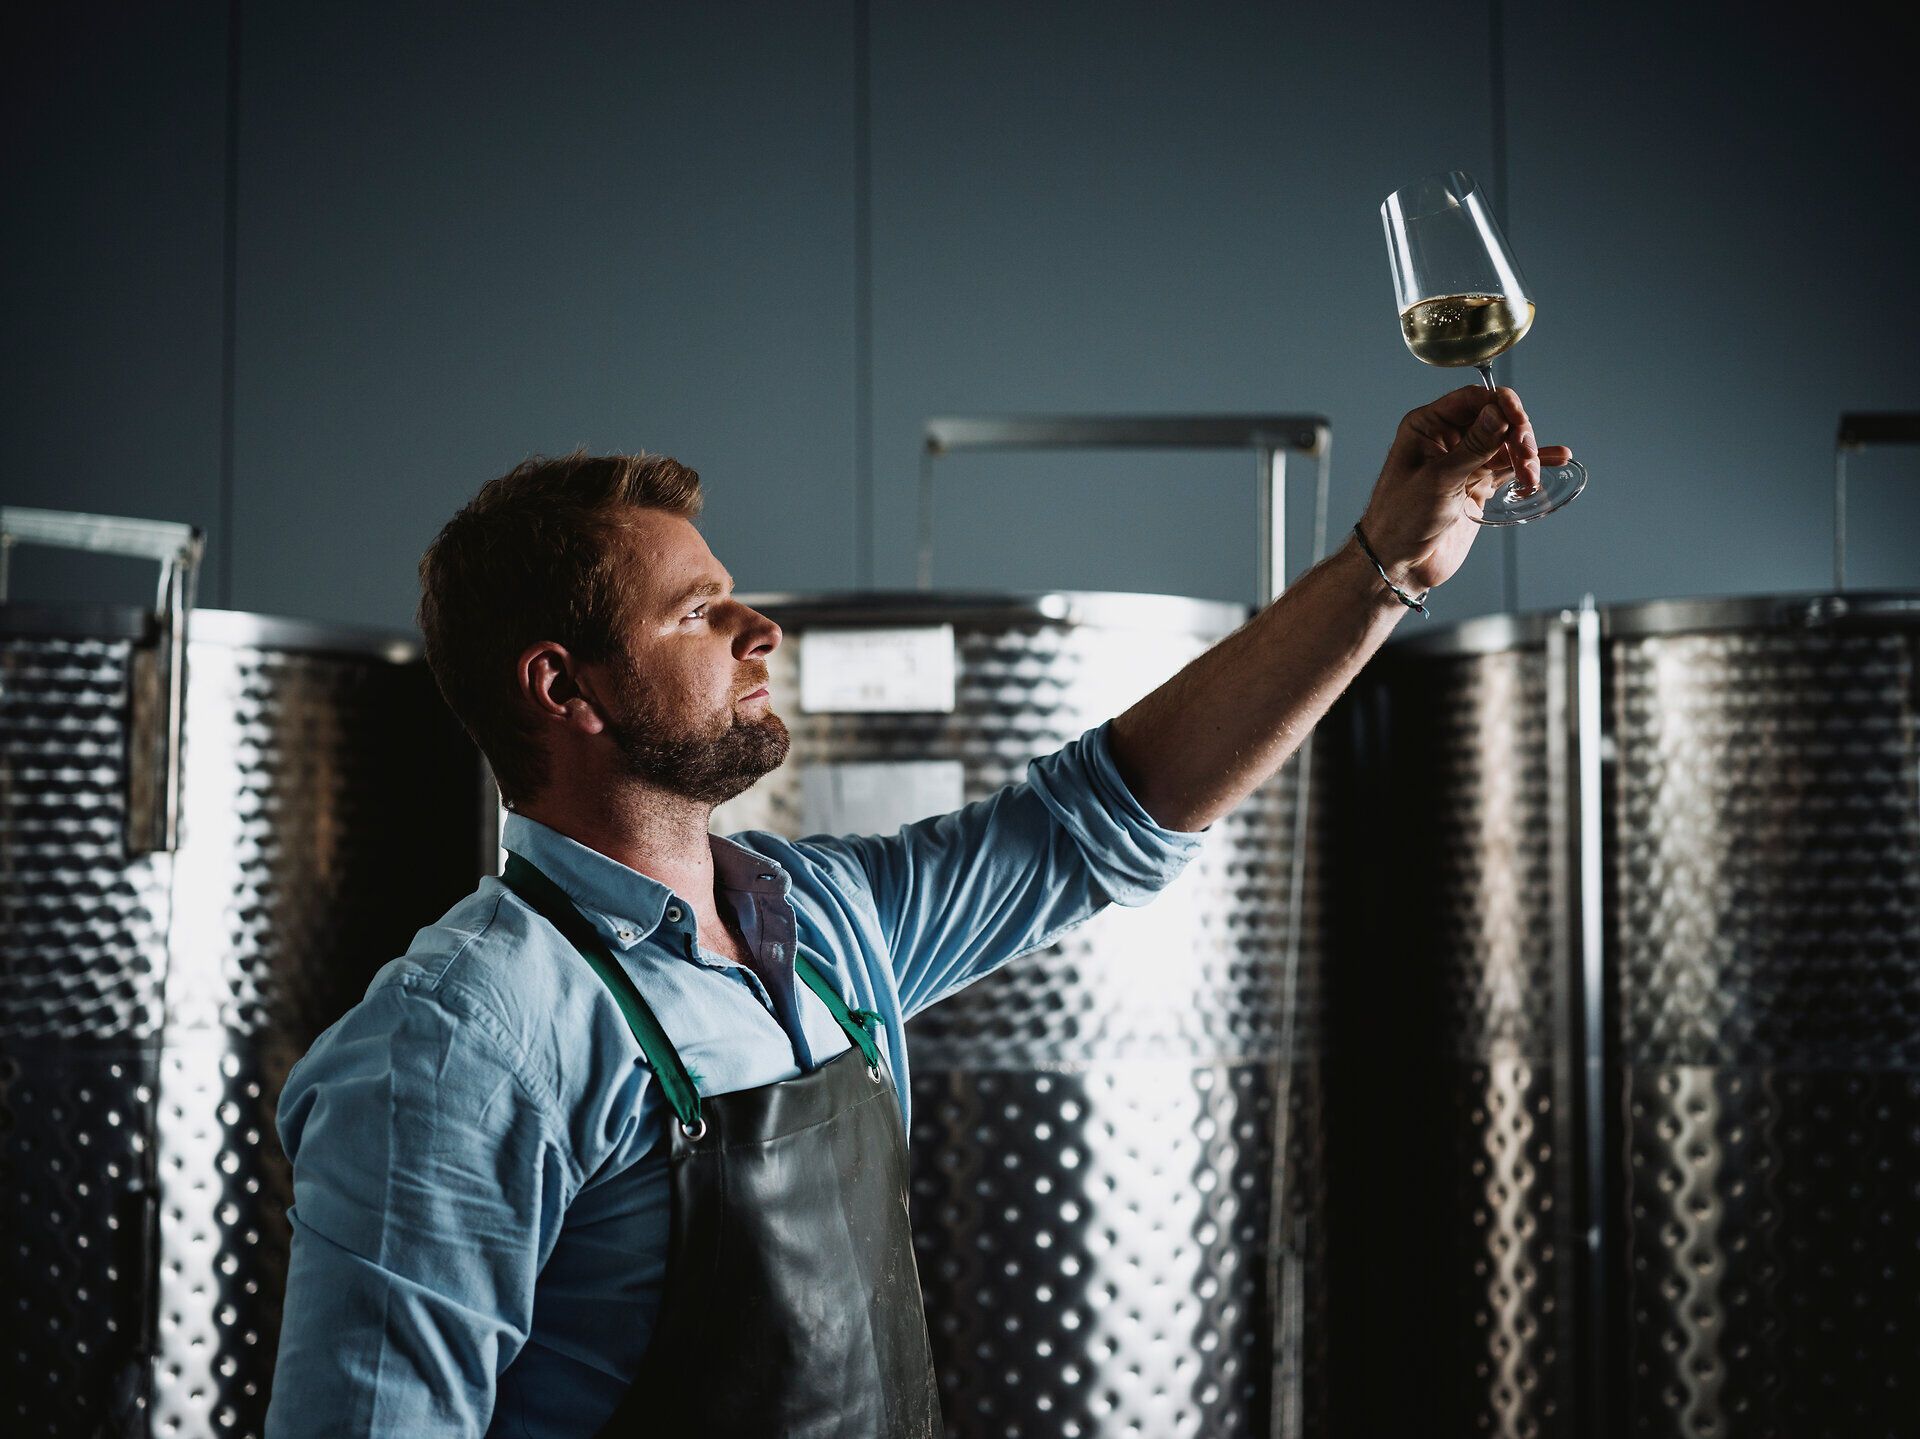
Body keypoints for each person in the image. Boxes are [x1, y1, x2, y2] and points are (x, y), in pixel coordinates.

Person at [264, 386, 1567, 1437]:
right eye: (700, 613)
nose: (758, 628)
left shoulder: (824, 926)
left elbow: (1107, 812)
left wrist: (1386, 565)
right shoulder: (463, 1041)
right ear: (568, 690)